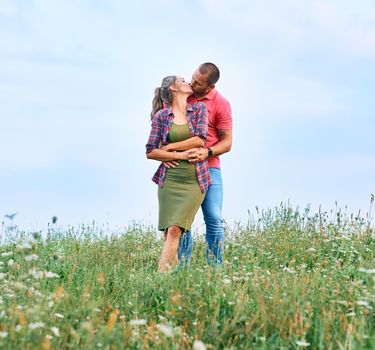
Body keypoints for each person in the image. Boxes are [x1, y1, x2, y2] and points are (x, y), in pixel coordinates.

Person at [166, 63, 232, 265]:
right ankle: (182, 268)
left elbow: (227, 142)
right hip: (182, 167)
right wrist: (168, 154)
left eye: (198, 82)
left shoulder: (221, 103)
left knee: (213, 218)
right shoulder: (184, 95)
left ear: (210, 87)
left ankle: (215, 268)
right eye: (192, 78)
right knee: (182, 220)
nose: (192, 83)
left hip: (210, 168)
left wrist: (207, 152)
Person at [145, 75, 210, 272]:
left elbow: (200, 140)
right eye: (183, 80)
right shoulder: (161, 117)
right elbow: (151, 151)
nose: (188, 82)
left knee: (175, 229)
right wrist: (176, 155)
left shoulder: (199, 109)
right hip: (169, 181)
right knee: (169, 233)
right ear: (174, 88)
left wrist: (171, 148)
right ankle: (168, 281)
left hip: (193, 181)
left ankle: (158, 279)